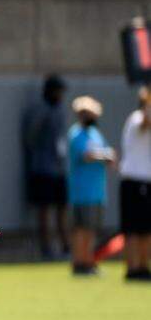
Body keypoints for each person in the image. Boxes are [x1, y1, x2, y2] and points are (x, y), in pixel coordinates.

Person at [67, 96, 116, 276]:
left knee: (91, 230)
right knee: (81, 229)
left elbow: (106, 153)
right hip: (81, 192)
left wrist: (108, 156)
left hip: (96, 191)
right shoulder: (76, 133)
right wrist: (105, 156)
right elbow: (87, 155)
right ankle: (79, 262)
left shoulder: (95, 133)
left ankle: (88, 261)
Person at [22, 75, 69, 259]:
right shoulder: (39, 110)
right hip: (42, 168)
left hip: (59, 168)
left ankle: (65, 246)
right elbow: (30, 137)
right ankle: (47, 247)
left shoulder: (60, 110)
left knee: (62, 208)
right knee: (45, 209)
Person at [119, 85, 151, 281]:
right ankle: (133, 267)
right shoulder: (136, 118)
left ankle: (143, 266)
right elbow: (145, 122)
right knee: (133, 229)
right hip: (134, 180)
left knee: (146, 229)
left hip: (145, 181)